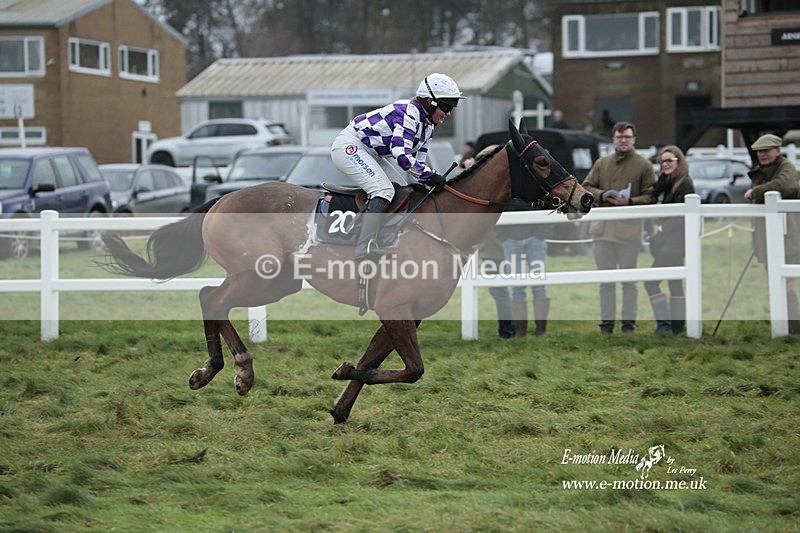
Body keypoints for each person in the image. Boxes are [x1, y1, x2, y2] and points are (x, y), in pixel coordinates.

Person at [331, 73, 465, 260]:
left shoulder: (428, 126)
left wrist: (431, 180)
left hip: (371, 152)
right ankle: (363, 247)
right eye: (447, 106)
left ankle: (384, 238)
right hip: (350, 146)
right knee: (384, 191)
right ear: (430, 101)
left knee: (403, 191)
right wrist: (431, 175)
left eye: (452, 107)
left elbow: (419, 163)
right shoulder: (408, 113)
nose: (449, 113)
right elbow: (403, 158)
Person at [582, 121, 656, 334]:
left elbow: (651, 196)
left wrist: (630, 202)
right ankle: (606, 325)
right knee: (605, 281)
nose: (623, 140)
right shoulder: (602, 163)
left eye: (627, 137)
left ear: (634, 140)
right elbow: (586, 187)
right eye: (619, 137)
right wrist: (602, 195)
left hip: (628, 233)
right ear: (613, 139)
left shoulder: (644, 165)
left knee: (628, 282)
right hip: (602, 231)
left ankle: (628, 325)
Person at [744, 133, 800, 333]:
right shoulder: (759, 172)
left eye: (766, 151)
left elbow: (785, 186)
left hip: (790, 237)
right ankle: (785, 325)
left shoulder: (787, 168)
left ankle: (794, 326)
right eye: (759, 151)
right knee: (775, 285)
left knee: (786, 285)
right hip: (766, 238)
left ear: (777, 151)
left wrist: (756, 192)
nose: (762, 154)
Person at [644, 145, 695, 335]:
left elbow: (682, 215)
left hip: (674, 244)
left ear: (679, 161)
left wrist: (663, 228)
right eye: (662, 162)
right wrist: (663, 179)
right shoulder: (670, 182)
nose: (665, 164)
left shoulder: (685, 183)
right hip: (670, 244)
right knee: (675, 283)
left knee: (651, 282)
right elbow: (654, 193)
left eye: (669, 161)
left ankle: (665, 325)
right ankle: (677, 328)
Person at [499, 199, 554, 337]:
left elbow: (549, 206)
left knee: (539, 285)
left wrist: (541, 233)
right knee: (517, 286)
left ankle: (541, 331)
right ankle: (520, 332)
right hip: (510, 240)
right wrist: (502, 236)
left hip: (536, 239)